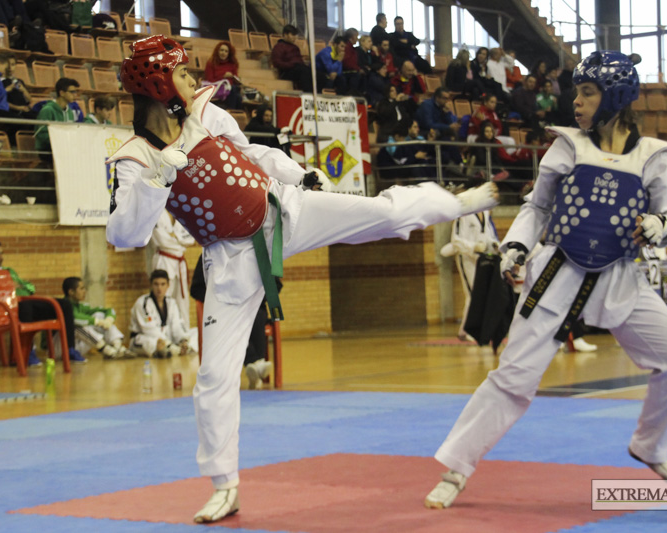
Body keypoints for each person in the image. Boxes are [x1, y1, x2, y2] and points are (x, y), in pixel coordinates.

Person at [105, 35, 498, 524]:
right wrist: (155, 179)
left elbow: (253, 154)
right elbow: (125, 233)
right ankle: (225, 486)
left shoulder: (208, 111)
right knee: (213, 377)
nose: (194, 80)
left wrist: (299, 173)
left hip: (281, 210)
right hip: (230, 261)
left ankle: (453, 202)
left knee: (379, 214)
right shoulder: (135, 158)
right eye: (183, 74)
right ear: (160, 85)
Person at [423, 51, 667, 510]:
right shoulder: (568, 145)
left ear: (615, 96)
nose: (576, 102)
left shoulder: (653, 158)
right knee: (513, 377)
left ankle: (651, 445)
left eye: (587, 93)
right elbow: (538, 206)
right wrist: (516, 245)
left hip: (621, 278)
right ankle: (456, 468)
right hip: (557, 274)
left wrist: (662, 227)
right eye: (577, 92)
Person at [0, 239, 84, 365]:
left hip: (24, 302)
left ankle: (69, 349)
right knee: (25, 306)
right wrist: (11, 287)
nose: (1, 257)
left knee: (64, 305)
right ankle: (28, 353)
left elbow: (30, 287)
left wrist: (19, 287)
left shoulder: (8, 271)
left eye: (2, 253)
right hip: (5, 308)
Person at [190, 255, 273, 390]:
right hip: (224, 307)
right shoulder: (210, 253)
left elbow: (273, 284)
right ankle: (256, 362)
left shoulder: (254, 251)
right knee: (234, 322)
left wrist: (254, 296)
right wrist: (217, 298)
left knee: (257, 316)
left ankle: (254, 365)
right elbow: (196, 289)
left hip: (252, 305)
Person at [440, 201, 500, 340]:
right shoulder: (463, 215)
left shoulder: (485, 212)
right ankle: (471, 330)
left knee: (483, 293)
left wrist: (494, 245)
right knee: (473, 292)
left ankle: (467, 330)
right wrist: (474, 247)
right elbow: (456, 240)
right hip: (466, 257)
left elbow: (489, 235)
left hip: (483, 257)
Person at [129, 269, 192, 359]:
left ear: (168, 285)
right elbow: (148, 329)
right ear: (151, 285)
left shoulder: (172, 303)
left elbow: (176, 325)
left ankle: (173, 349)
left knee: (195, 333)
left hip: (167, 338)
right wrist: (168, 344)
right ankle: (165, 350)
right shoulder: (142, 303)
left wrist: (182, 340)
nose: (159, 288)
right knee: (153, 343)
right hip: (144, 338)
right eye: (156, 284)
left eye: (163, 284)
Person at [62, 276, 130, 359]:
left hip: (75, 346)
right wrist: (97, 321)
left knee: (99, 315)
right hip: (60, 347)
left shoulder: (81, 306)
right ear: (71, 292)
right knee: (76, 325)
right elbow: (74, 318)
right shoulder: (63, 306)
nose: (85, 291)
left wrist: (108, 320)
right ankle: (105, 349)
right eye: (81, 288)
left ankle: (117, 346)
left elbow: (108, 310)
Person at [151, 210, 195, 327]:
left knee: (182, 301)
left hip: (179, 263)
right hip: (164, 260)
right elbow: (161, 240)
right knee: (163, 298)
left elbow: (190, 239)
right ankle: (163, 335)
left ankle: (184, 336)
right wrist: (180, 240)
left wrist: (174, 237)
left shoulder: (180, 211)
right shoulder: (156, 211)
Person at [34, 77, 80, 158]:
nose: (75, 95)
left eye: (75, 92)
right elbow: (40, 134)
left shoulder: (70, 111)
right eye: (72, 92)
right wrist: (59, 139)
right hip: (47, 149)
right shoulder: (48, 110)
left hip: (64, 147)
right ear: (62, 93)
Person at [271, 24, 313, 93]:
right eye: (293, 35)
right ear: (285, 35)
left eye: (295, 35)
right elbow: (277, 63)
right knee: (303, 71)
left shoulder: (295, 47)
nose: (295, 37)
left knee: (317, 74)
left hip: (298, 68)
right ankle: (307, 93)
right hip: (286, 72)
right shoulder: (279, 47)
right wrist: (292, 65)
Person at [203, 40, 243, 109]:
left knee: (238, 96)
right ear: (217, 51)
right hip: (216, 88)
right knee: (234, 91)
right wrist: (223, 77)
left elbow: (235, 78)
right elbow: (210, 79)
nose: (223, 53)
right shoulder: (211, 62)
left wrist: (234, 78)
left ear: (229, 53)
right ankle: (231, 112)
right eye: (221, 50)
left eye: (226, 51)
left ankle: (234, 113)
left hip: (230, 89)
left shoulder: (233, 64)